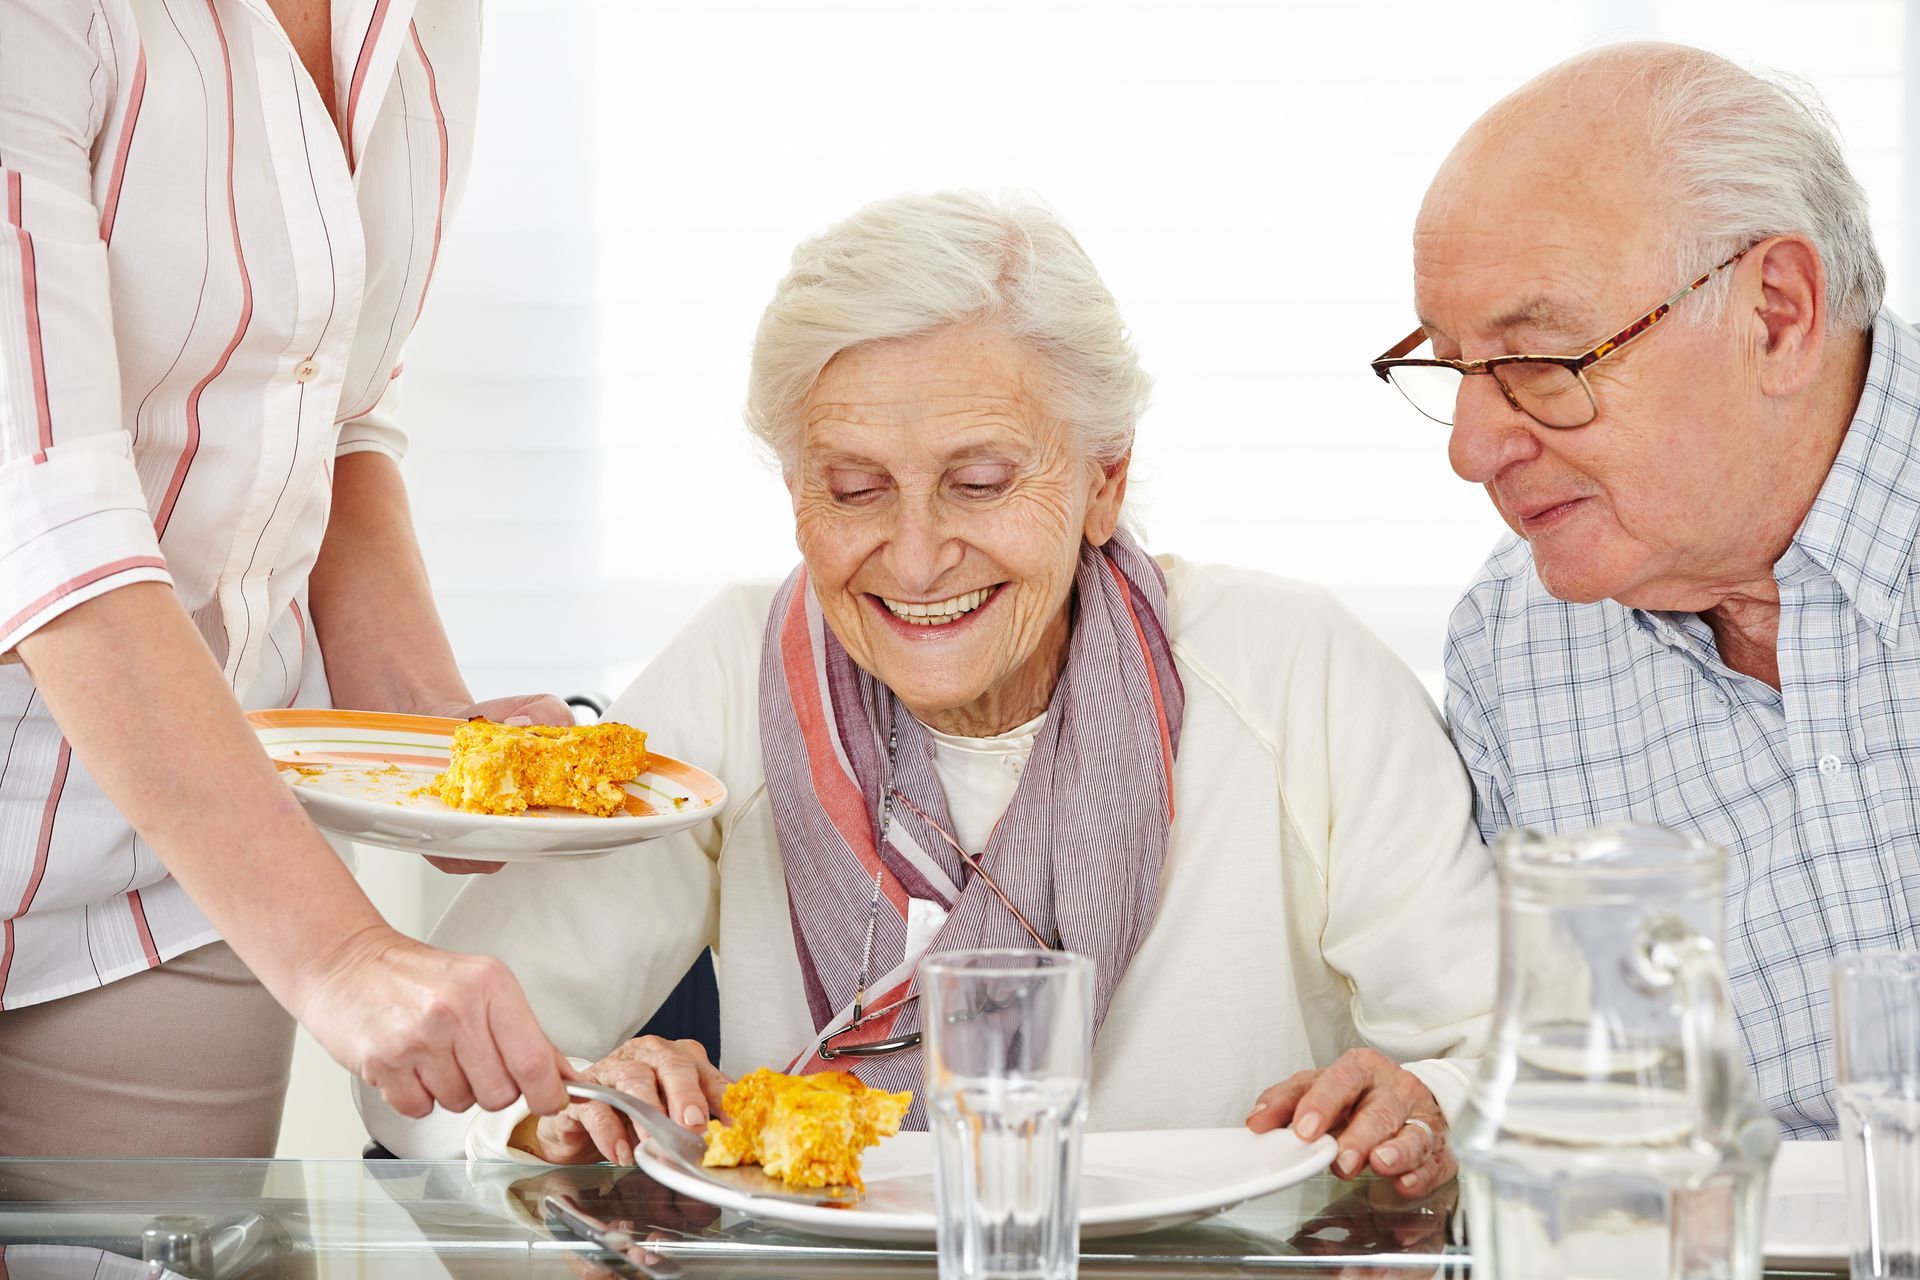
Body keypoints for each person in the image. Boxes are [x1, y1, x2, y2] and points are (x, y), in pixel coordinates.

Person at [360, 190, 1495, 1199]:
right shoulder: (732, 667)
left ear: (1106, 480)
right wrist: (561, 1109)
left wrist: (1418, 1102)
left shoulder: (1297, 669)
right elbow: (421, 1079)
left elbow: (1490, 1054)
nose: (913, 558)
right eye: (854, 490)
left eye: (981, 481)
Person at [0, 0, 570, 1155]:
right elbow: (44, 504)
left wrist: (427, 735)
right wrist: (346, 953)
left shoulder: (425, 21)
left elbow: (334, 410)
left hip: (185, 870)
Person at [1371, 41, 1911, 1137]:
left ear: (1777, 314)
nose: (1473, 449)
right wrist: (1443, 1103)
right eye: (1453, 367)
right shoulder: (1514, 649)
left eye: (1545, 359)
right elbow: (1559, 1105)